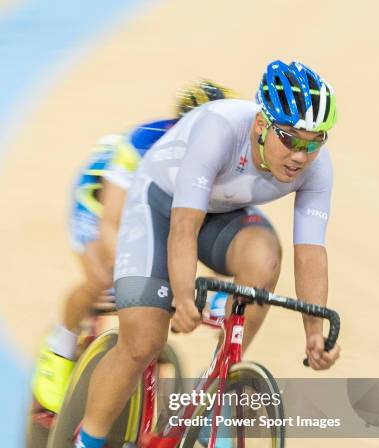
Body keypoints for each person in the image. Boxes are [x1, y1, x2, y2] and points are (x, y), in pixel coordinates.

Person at [54, 60, 341, 448]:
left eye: (314, 142)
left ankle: (216, 390)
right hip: (162, 205)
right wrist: (183, 296)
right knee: (142, 341)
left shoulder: (315, 165)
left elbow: (311, 253)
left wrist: (314, 329)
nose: (301, 155)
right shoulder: (218, 129)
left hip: (220, 213)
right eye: (290, 139)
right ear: (262, 123)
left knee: (265, 259)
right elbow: (182, 228)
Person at [31, 80, 237, 414]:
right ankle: (60, 345)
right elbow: (111, 225)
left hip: (152, 204)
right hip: (101, 198)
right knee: (103, 276)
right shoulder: (141, 144)